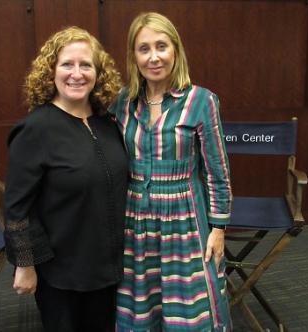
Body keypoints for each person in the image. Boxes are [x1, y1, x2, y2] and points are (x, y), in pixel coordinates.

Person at [110, 12, 232, 331]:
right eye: (144, 48)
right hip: (135, 219)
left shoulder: (201, 101)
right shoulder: (122, 102)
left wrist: (218, 228)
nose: (154, 57)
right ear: (134, 56)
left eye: (161, 46)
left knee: (188, 310)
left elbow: (217, 172)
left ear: (175, 50)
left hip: (185, 219)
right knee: (141, 304)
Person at [3, 26, 128, 332]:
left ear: (98, 72)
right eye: (67, 64)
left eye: (86, 65)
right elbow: (18, 208)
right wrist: (25, 264)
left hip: (109, 265)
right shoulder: (35, 129)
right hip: (61, 273)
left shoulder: (108, 123)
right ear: (51, 72)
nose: (77, 73)